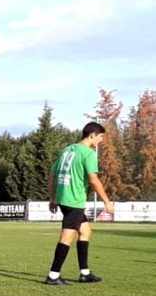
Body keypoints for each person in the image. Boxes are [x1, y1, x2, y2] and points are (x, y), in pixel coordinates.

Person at [44, 121, 114, 285]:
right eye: (101, 136)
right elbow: (94, 180)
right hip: (74, 201)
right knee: (67, 237)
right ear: (92, 135)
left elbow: (52, 174)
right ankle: (53, 276)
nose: (101, 140)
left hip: (63, 199)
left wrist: (53, 197)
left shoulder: (67, 149)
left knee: (85, 231)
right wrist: (106, 201)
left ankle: (85, 273)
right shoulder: (88, 154)